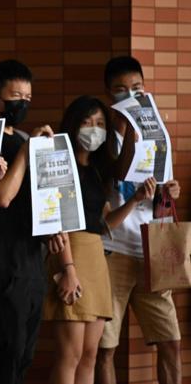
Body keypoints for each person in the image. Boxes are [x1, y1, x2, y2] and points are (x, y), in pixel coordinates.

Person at [44, 95, 156, 384]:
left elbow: (104, 223)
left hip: (96, 255)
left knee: (90, 355)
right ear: (73, 125)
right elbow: (57, 219)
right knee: (70, 355)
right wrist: (67, 269)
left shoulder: (96, 170)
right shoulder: (59, 164)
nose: (94, 129)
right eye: (87, 122)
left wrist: (135, 200)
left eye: (100, 123)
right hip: (71, 253)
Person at [0, 59, 56, 384]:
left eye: (28, 98)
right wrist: (25, 154)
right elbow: (2, 197)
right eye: (16, 95)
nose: (23, 103)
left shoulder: (22, 140)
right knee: (9, 351)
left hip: (30, 262)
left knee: (25, 354)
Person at [95, 56, 182, 384]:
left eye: (136, 88)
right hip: (111, 251)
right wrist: (131, 128)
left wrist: (169, 192)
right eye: (120, 90)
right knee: (105, 347)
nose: (129, 95)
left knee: (171, 341)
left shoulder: (158, 138)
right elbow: (108, 184)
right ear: (109, 95)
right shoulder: (102, 139)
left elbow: (161, 202)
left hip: (152, 251)